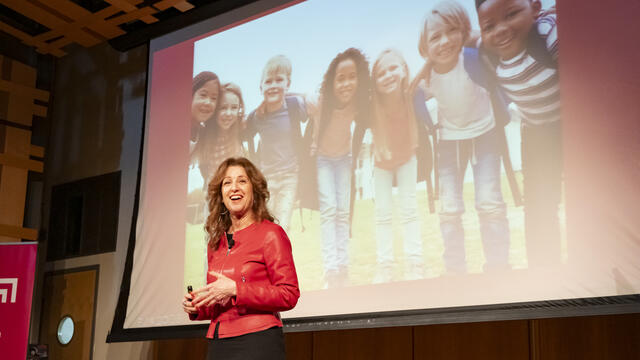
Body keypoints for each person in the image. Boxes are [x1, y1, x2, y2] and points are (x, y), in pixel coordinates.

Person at [413, 1, 511, 274]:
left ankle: (498, 266)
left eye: (451, 31)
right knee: (450, 209)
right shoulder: (426, 78)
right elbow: (409, 96)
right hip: (450, 141)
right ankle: (456, 270)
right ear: (425, 47)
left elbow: (489, 41)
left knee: (489, 202)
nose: (444, 41)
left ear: (464, 32)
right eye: (435, 37)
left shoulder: (473, 55)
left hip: (485, 133)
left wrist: (470, 35)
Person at [182, 157, 300, 360]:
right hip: (219, 342)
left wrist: (237, 289)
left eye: (242, 181)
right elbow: (220, 301)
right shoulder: (216, 243)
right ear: (221, 194)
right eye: (227, 183)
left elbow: (288, 294)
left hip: (258, 341)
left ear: (254, 189)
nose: (234, 188)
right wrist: (198, 306)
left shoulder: (270, 234)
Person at [476, 0, 562, 267]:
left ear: (534, 8)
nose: (500, 30)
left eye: (511, 14)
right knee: (538, 206)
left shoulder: (547, 33)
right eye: (489, 26)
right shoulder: (487, 52)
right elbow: (471, 38)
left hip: (574, 124)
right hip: (536, 133)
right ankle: (544, 271)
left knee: (591, 193)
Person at [312, 48, 371, 288]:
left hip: (344, 158)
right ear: (332, 81)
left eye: (352, 77)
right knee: (329, 211)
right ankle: (331, 268)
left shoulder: (359, 102)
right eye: (341, 78)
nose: (346, 83)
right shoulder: (322, 101)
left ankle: (343, 266)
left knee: (343, 212)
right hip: (324, 159)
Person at [370, 49, 426, 283]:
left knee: (409, 209)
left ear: (404, 70)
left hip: (406, 158)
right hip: (382, 163)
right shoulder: (372, 104)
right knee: (382, 214)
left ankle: (415, 262)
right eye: (381, 73)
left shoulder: (412, 93)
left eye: (394, 68)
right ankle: (386, 265)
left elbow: (430, 71)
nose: (388, 75)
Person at [244, 55, 313, 232]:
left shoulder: (294, 105)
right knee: (265, 225)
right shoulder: (256, 117)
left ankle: (280, 259)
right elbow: (242, 134)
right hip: (266, 179)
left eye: (279, 80)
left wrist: (307, 95)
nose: (273, 85)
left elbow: (315, 109)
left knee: (283, 225)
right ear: (261, 87)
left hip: (290, 175)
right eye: (268, 82)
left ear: (287, 84)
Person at [194, 83, 247, 185]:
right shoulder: (203, 134)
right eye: (223, 108)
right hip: (214, 187)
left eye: (234, 107)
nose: (228, 113)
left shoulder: (241, 128)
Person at [190, 71, 221, 155]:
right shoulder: (175, 127)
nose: (208, 102)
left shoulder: (202, 134)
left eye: (214, 98)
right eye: (203, 95)